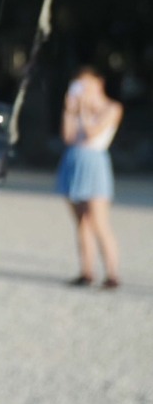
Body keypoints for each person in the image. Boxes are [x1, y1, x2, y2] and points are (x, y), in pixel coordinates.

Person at [56, 67, 124, 290]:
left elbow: (92, 133)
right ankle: (86, 272)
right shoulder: (77, 109)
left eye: (87, 84)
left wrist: (84, 109)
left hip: (94, 163)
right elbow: (68, 137)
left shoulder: (112, 107)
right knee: (81, 223)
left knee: (99, 222)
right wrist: (70, 111)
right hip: (73, 160)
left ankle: (112, 274)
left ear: (99, 83)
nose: (83, 90)